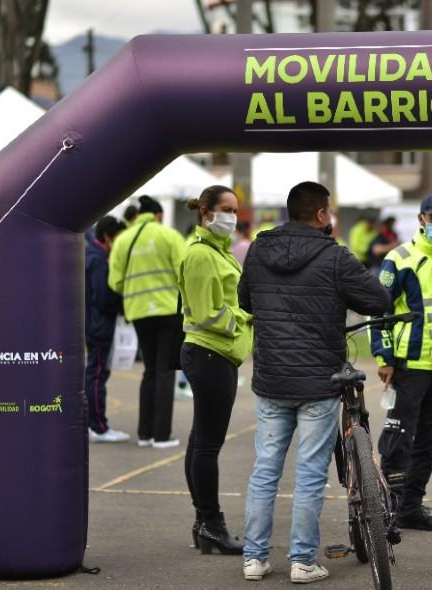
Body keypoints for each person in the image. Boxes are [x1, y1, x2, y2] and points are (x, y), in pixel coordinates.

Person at [238, 181, 390, 584]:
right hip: (319, 380)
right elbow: (378, 300)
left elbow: (245, 301)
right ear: (322, 215)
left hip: (271, 378)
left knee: (265, 469)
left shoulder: (257, 249)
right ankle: (302, 561)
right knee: (309, 473)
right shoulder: (334, 255)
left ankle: (254, 559)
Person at [369, 192, 432, 532]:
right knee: (399, 437)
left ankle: (410, 506)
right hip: (409, 364)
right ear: (421, 220)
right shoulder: (400, 258)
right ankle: (390, 506)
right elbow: (380, 309)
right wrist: (384, 356)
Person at [179, 185, 254, 556]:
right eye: (225, 209)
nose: (232, 216)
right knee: (208, 444)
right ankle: (211, 523)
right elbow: (208, 312)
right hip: (210, 353)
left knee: (201, 442)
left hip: (217, 356)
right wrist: (248, 318)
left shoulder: (217, 253)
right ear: (206, 213)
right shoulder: (201, 256)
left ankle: (204, 522)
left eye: (235, 209)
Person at [108, 195, 186, 449]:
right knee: (165, 371)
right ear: (159, 215)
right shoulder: (169, 236)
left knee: (150, 371)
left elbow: (115, 282)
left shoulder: (123, 240)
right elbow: (184, 271)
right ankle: (162, 435)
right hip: (167, 310)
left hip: (139, 311)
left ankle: (144, 434)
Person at [85, 216, 131, 443]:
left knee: (95, 372)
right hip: (99, 324)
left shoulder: (92, 254)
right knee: (98, 373)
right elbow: (103, 298)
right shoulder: (100, 260)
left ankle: (93, 423)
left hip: (93, 322)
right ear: (107, 237)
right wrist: (123, 302)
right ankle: (98, 426)